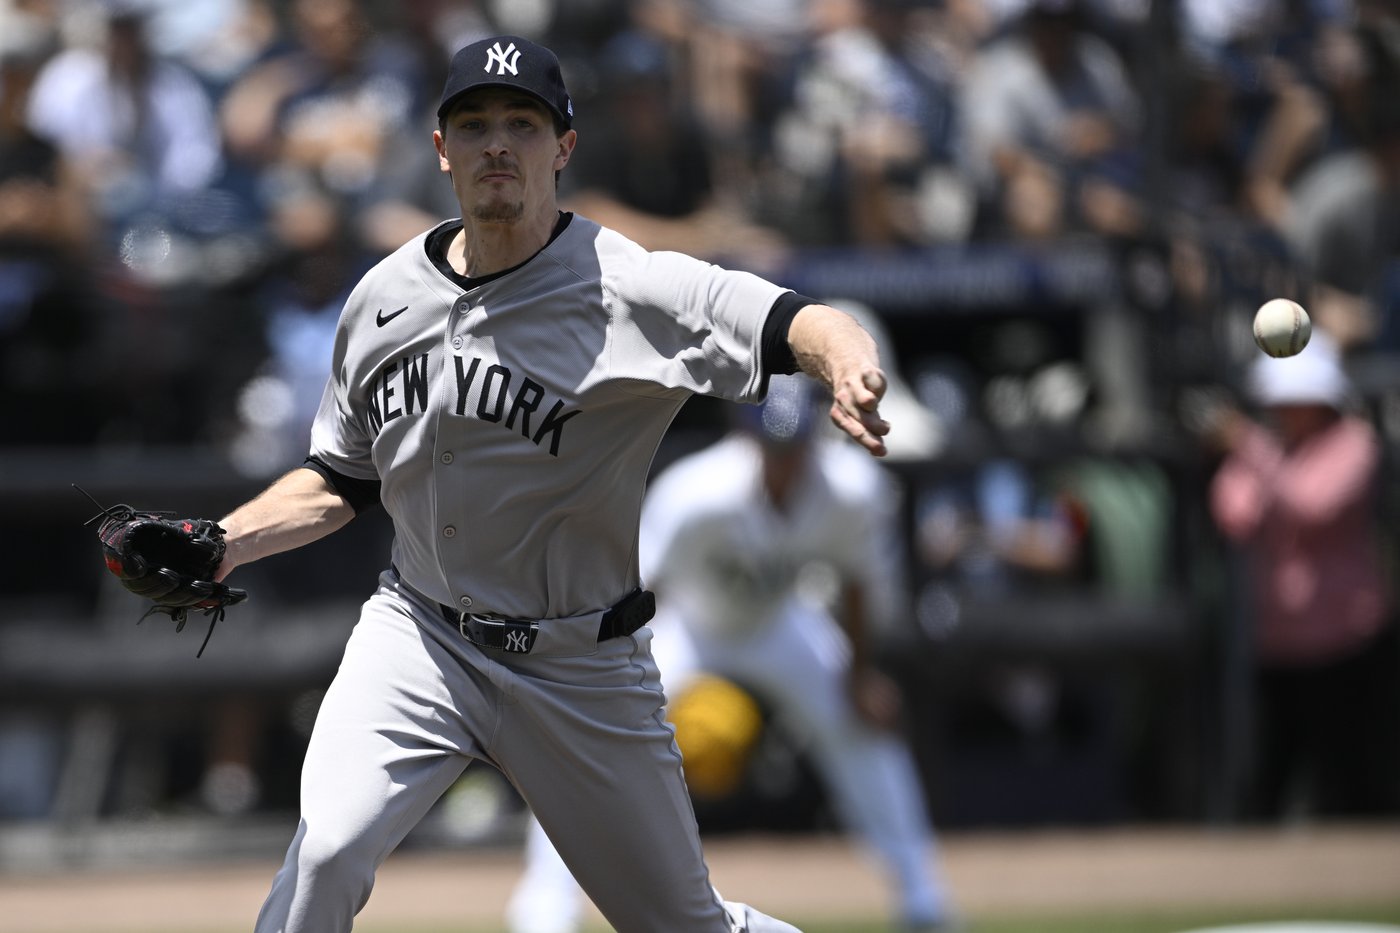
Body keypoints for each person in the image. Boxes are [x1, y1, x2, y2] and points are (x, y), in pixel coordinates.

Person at [211, 35, 892, 933]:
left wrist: (846, 362)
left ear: (564, 147)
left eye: (524, 123)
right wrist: (218, 544)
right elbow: (339, 478)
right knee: (326, 853)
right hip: (421, 637)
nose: (499, 143)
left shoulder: (630, 288)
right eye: (476, 122)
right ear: (441, 147)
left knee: (683, 925)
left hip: (580, 664)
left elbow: (790, 316)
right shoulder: (382, 296)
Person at [506, 374, 958, 933]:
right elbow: (635, 586)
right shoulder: (697, 493)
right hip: (687, 625)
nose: (782, 461)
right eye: (771, 447)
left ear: (814, 441)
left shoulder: (851, 491)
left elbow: (858, 580)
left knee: (859, 721)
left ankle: (923, 898)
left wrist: (860, 677)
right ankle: (543, 910)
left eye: (793, 448)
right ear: (747, 440)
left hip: (779, 623)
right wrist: (605, 680)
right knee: (589, 734)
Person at [1206, 331, 1400, 820]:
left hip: (1348, 643)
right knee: (1267, 781)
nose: (1287, 413)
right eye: (1280, 403)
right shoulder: (1267, 451)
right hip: (1280, 644)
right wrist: (1250, 456)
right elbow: (1233, 513)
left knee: (1357, 782)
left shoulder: (1354, 444)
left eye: (1299, 402)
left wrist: (1252, 449)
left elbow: (1313, 505)